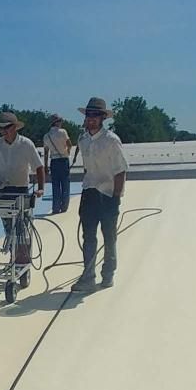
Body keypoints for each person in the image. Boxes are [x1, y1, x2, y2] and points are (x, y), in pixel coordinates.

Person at [71, 97, 127, 292]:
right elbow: (87, 169)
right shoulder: (82, 140)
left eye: (95, 115)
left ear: (103, 117)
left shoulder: (111, 141)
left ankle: (108, 273)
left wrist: (116, 197)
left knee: (109, 237)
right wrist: (87, 186)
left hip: (108, 194)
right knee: (88, 237)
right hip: (89, 193)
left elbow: (120, 171)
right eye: (89, 115)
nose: (91, 118)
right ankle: (88, 277)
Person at [0, 111, 45, 286]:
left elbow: (39, 167)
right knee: (9, 229)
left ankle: (23, 262)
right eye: (1, 128)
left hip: (22, 190)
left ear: (14, 128)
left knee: (23, 229)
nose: (4, 131)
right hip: (5, 190)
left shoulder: (26, 144)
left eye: (7, 128)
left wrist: (41, 188)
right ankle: (14, 259)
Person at [42, 114, 73, 215]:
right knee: (65, 184)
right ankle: (64, 206)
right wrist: (67, 152)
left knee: (55, 185)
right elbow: (69, 144)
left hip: (54, 161)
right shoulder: (63, 132)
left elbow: (46, 152)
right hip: (63, 159)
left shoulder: (46, 136)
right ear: (57, 122)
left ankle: (55, 207)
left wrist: (46, 166)